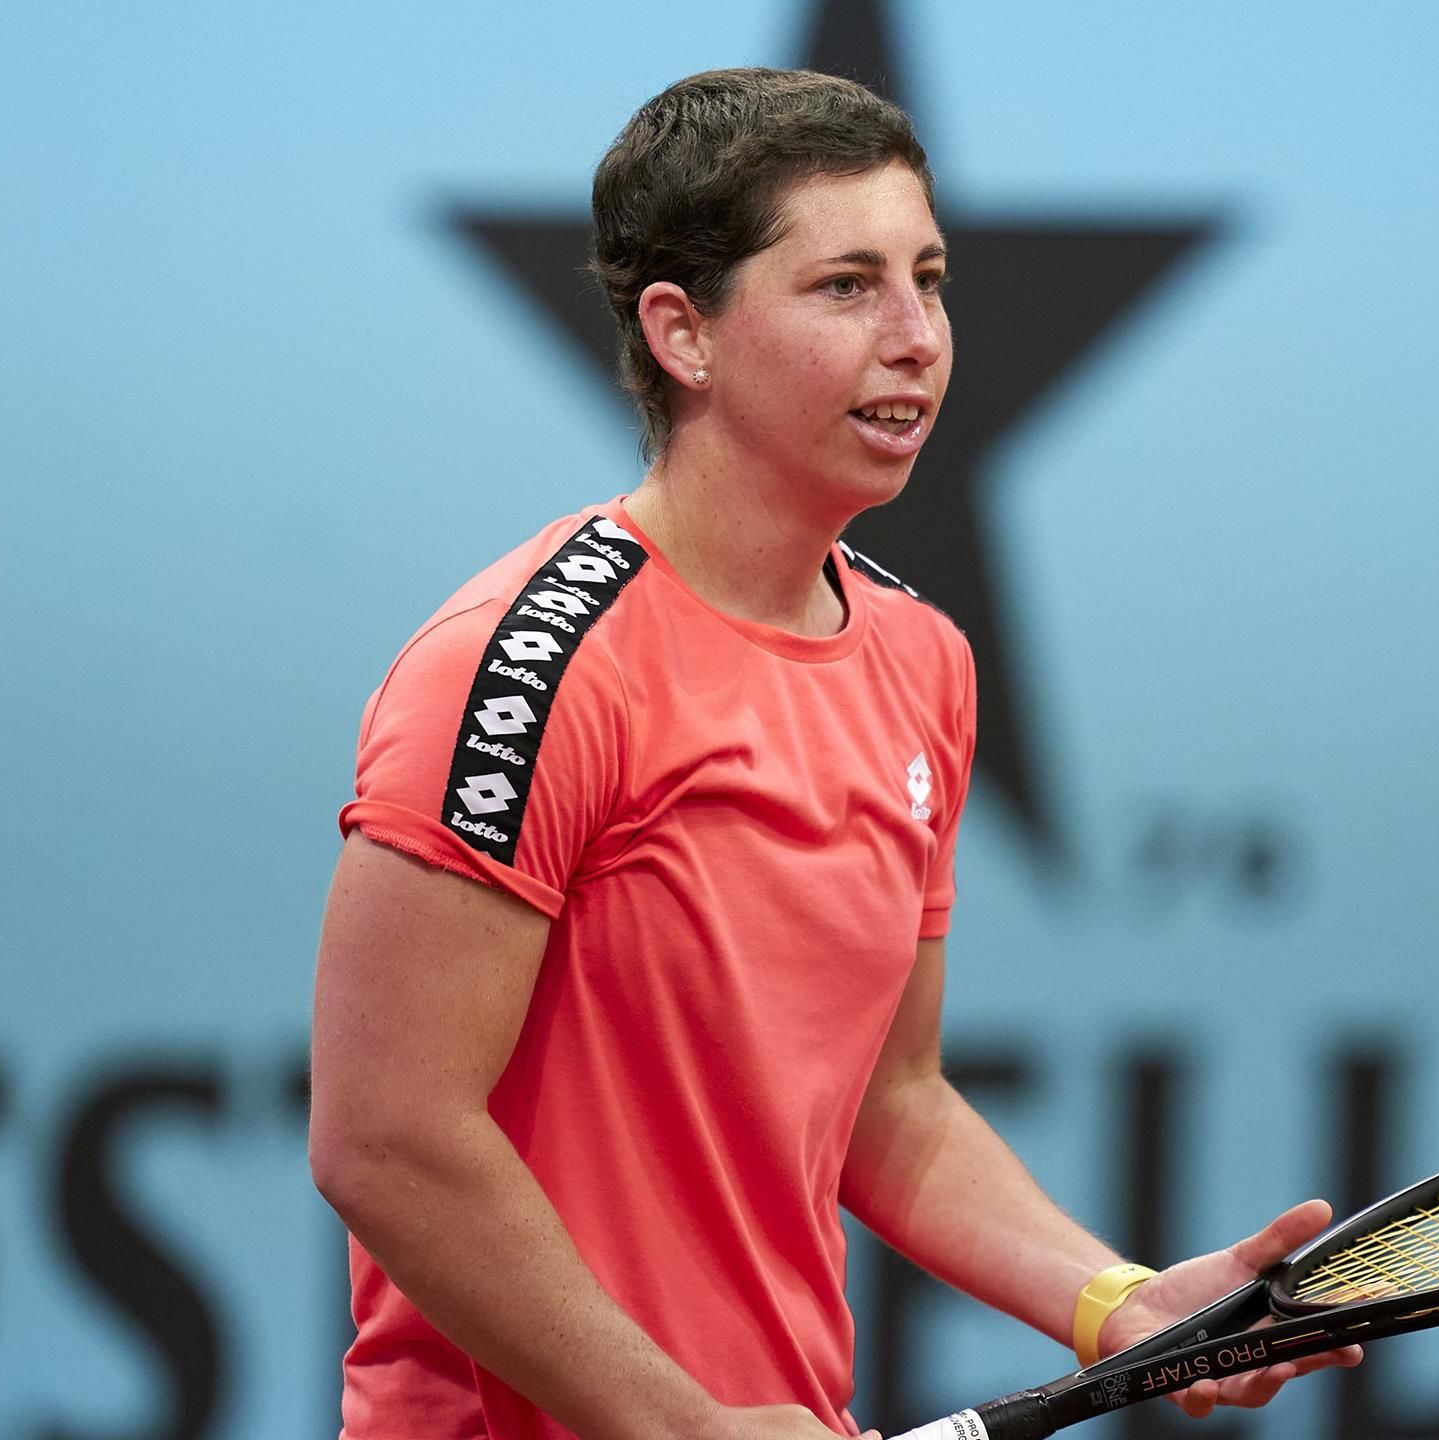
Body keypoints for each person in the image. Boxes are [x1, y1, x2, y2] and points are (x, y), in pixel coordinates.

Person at [307, 68, 1359, 1440]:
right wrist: (681, 1426)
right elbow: (386, 1138)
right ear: (683, 335)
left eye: (930, 277)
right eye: (846, 287)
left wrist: (1116, 1303)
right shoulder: (520, 674)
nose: (919, 336)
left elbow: (889, 1101)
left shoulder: (925, 663)